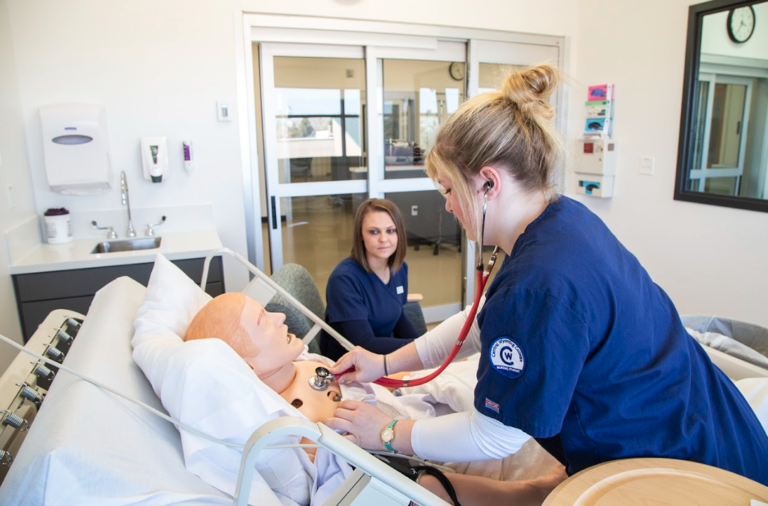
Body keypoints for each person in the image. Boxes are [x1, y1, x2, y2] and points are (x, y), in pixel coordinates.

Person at [325, 63, 768, 495]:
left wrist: (387, 432)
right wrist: (384, 363)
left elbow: (496, 437)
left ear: (487, 184)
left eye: (447, 189)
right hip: (708, 419)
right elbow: (483, 320)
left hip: (685, 469)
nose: (447, 207)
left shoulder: (541, 283)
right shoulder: (563, 220)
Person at [183, 291, 567, 504]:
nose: (281, 318)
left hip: (402, 409)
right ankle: (527, 495)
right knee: (423, 484)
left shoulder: (304, 359)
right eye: (263, 322)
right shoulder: (278, 417)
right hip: (391, 459)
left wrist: (384, 376)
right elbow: (332, 472)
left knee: (503, 411)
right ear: (246, 369)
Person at [319, 198, 420, 361]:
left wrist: (426, 345)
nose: (383, 239)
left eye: (391, 230)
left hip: (383, 356)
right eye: (374, 232)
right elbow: (364, 344)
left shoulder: (399, 268)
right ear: (361, 235)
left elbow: (397, 315)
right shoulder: (344, 280)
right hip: (351, 365)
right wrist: (419, 348)